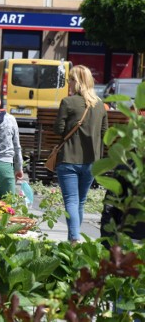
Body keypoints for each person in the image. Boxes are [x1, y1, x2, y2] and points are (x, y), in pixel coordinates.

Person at [54, 65, 108, 243]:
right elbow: (104, 133)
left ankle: (74, 238)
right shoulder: (100, 104)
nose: (68, 82)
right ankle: (75, 237)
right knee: (81, 201)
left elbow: (58, 129)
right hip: (92, 161)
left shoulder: (68, 102)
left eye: (70, 79)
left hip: (69, 158)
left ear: (76, 82)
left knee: (71, 200)